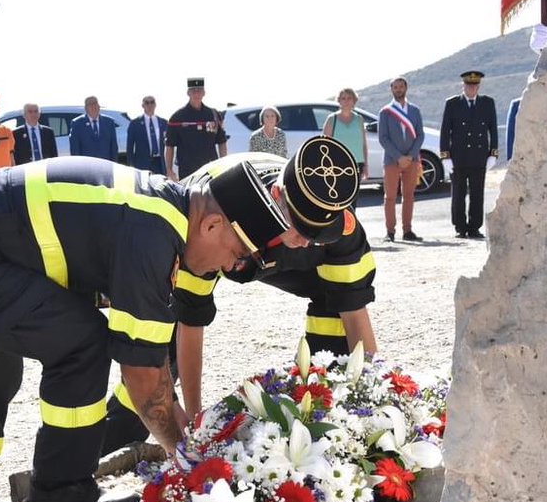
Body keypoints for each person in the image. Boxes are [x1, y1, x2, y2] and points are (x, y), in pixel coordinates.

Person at [0, 155, 293, 502]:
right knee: (82, 342)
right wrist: (189, 463)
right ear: (211, 226)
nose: (228, 267)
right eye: (236, 253)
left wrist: (182, 424)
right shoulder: (152, 234)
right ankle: (62, 492)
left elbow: (154, 364)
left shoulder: (161, 212)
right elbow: (141, 376)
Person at [101, 137, 377, 447]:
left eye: (318, 235)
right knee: (157, 350)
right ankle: (115, 431)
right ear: (277, 197)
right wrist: (197, 424)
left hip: (293, 265)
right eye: (300, 228)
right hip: (211, 232)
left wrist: (372, 401)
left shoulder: (340, 234)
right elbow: (191, 321)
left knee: (335, 319)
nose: (305, 240)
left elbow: (355, 315)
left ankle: (328, 425)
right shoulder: (224, 214)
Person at [440, 70, 498, 239]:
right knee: (458, 194)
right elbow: (445, 131)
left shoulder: (487, 103)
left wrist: (493, 153)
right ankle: (460, 227)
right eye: (468, 85)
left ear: (478, 86)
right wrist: (445, 156)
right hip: (458, 157)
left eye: (475, 86)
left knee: (477, 194)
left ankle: (474, 227)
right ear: (463, 86)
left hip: (479, 156)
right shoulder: (452, 103)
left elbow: (493, 129)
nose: (471, 89)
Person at [378, 78, 425, 243]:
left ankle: (408, 230)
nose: (398, 89)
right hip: (392, 160)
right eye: (395, 87)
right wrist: (399, 156)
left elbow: (420, 135)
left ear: (406, 88)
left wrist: (410, 156)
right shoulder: (385, 112)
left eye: (401, 86)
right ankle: (390, 232)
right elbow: (383, 138)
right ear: (391, 89)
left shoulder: (415, 110)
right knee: (390, 197)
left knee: (409, 196)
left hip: (411, 160)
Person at [164, 77, 227, 181]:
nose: (197, 93)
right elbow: (169, 145)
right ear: (188, 93)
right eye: (193, 91)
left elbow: (222, 142)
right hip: (187, 169)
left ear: (204, 93)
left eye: (199, 90)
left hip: (210, 168)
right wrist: (169, 169)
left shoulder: (213, 115)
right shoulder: (177, 117)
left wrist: (223, 164)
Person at [322, 88, 369, 180]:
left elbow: (364, 144)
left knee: (354, 193)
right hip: (336, 163)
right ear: (339, 101)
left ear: (354, 100)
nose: (346, 101)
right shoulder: (332, 119)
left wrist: (366, 165)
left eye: (349, 98)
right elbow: (324, 144)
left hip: (357, 163)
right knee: (339, 193)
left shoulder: (359, 119)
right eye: (343, 98)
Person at [68, 96, 117, 161]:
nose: (93, 106)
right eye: (90, 104)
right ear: (85, 108)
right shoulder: (77, 123)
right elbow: (75, 149)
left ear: (99, 106)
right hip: (87, 166)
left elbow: (114, 147)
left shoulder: (109, 122)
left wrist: (113, 164)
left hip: (106, 165)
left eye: (95, 103)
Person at [126, 96, 167, 172]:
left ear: (155, 105)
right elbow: (130, 147)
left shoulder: (163, 122)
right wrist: (131, 164)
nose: (150, 105)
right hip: (142, 164)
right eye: (147, 103)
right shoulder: (135, 123)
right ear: (143, 105)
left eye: (152, 102)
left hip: (160, 163)